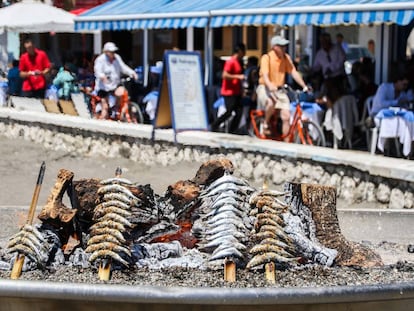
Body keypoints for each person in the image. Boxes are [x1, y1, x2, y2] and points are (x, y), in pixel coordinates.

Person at [256, 35, 308, 139]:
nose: (284, 48)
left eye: (285, 46)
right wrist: (270, 85)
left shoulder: (286, 58)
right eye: (282, 46)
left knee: (286, 116)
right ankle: (265, 123)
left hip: (280, 89)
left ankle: (286, 140)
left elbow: (293, 72)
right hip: (265, 87)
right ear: (275, 47)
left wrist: (304, 85)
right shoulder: (267, 58)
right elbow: (265, 76)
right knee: (271, 102)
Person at [94, 42, 138, 119]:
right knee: (105, 108)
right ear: (106, 51)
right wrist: (102, 77)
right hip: (103, 87)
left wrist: (132, 73)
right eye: (111, 52)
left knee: (122, 93)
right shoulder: (100, 59)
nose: (113, 53)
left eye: (114, 51)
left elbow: (123, 67)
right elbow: (97, 71)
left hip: (114, 84)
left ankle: (117, 110)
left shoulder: (117, 58)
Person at [211, 43, 246, 134]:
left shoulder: (239, 62)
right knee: (229, 111)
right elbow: (225, 75)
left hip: (236, 91)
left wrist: (241, 89)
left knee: (239, 112)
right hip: (228, 92)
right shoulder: (230, 62)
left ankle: (232, 131)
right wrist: (238, 77)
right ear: (239, 51)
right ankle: (215, 125)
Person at [312, 33, 347, 107]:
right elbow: (316, 67)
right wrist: (310, 70)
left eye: (325, 41)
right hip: (327, 79)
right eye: (322, 42)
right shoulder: (320, 53)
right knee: (322, 94)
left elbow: (342, 60)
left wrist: (332, 69)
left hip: (338, 77)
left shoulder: (337, 49)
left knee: (337, 96)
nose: (324, 44)